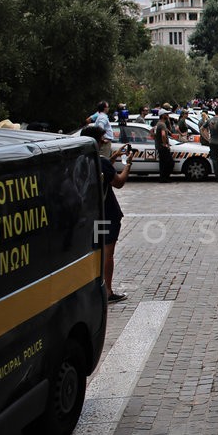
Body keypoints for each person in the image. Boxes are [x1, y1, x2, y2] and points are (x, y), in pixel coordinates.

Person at [81, 125, 130, 303]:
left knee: (98, 251)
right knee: (107, 252)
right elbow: (118, 182)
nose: (106, 140)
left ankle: (95, 286)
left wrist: (113, 159)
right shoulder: (101, 161)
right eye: (103, 137)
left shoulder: (83, 158)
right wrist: (128, 165)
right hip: (107, 215)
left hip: (93, 214)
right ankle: (107, 290)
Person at [154, 109, 174, 182]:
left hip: (159, 146)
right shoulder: (162, 124)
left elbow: (152, 132)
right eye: (166, 114)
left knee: (162, 163)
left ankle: (162, 178)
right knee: (170, 163)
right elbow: (163, 135)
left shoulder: (158, 124)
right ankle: (165, 177)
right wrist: (165, 144)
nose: (168, 116)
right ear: (163, 116)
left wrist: (156, 140)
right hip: (162, 147)